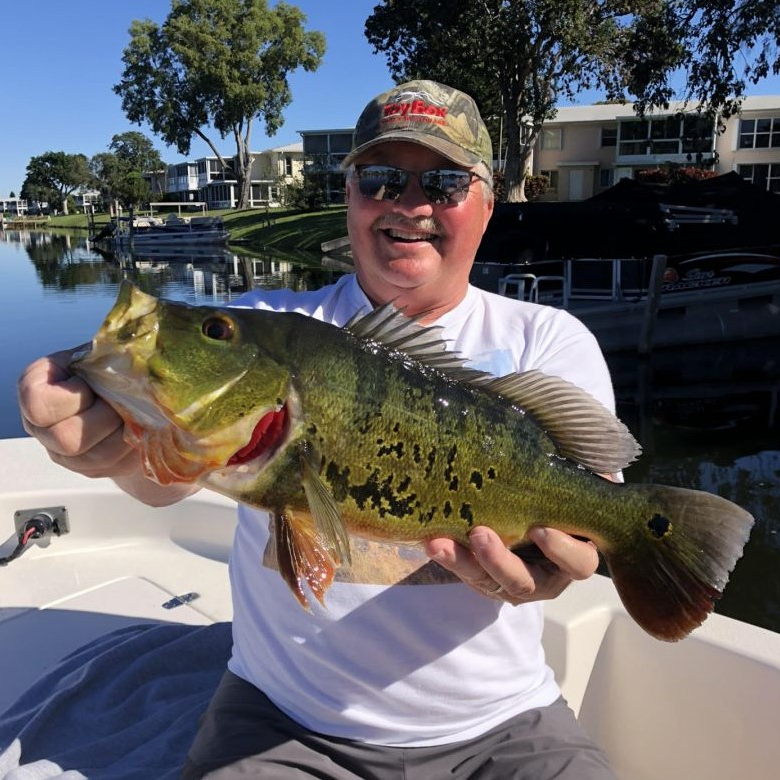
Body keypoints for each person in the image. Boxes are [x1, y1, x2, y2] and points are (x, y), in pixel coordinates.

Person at [17, 80, 618, 779]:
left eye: (446, 182)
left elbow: (584, 511)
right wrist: (105, 448)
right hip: (286, 722)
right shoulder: (268, 319)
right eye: (381, 179)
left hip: (503, 720)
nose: (411, 204)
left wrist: (562, 563)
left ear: (487, 203)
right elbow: (159, 487)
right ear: (351, 194)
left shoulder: (549, 340)